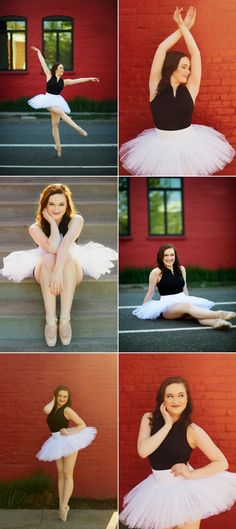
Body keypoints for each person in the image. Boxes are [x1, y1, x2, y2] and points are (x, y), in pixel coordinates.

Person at [120, 6, 235, 176]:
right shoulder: (155, 88)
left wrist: (184, 27)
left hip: (190, 144)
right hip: (159, 148)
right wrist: (182, 26)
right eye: (184, 67)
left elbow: (195, 54)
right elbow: (161, 49)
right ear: (172, 67)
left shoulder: (191, 89)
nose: (188, 71)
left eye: (188, 68)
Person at [0, 183, 117, 346]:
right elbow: (52, 247)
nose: (56, 209)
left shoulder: (76, 220)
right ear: (44, 205)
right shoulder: (35, 228)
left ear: (67, 205)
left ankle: (64, 319)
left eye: (61, 204)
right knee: (48, 257)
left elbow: (64, 246)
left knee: (66, 256)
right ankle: (50, 320)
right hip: (44, 268)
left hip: (71, 266)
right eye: (52, 204)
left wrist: (58, 271)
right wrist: (52, 224)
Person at [119, 376, 236, 529]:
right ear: (163, 400)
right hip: (157, 490)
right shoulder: (149, 419)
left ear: (187, 399)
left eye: (181, 395)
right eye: (170, 396)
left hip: (184, 491)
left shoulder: (192, 430)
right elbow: (143, 451)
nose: (176, 400)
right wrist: (167, 425)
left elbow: (222, 462)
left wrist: (192, 474)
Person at [132, 244, 235, 329]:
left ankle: (218, 323)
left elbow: (184, 289)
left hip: (182, 300)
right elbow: (150, 292)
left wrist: (189, 300)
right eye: (166, 255)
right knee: (188, 306)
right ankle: (219, 314)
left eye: (172, 255)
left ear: (175, 256)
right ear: (161, 257)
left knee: (196, 311)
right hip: (168, 307)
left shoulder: (181, 269)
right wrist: (143, 309)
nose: (169, 258)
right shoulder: (156, 272)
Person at [37, 385, 96, 522]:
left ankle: (65, 505)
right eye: (60, 396)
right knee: (60, 474)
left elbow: (82, 424)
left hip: (68, 441)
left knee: (68, 473)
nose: (62, 398)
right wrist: (53, 398)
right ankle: (61, 505)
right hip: (55, 441)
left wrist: (70, 432)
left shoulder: (68, 410)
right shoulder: (52, 408)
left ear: (68, 398)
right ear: (56, 396)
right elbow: (45, 409)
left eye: (65, 396)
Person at [28, 46, 99, 156]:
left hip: (57, 100)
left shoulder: (64, 82)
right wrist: (38, 52)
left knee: (55, 125)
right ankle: (79, 129)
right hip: (47, 100)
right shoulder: (49, 75)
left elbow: (77, 80)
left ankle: (58, 148)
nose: (63, 70)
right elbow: (43, 63)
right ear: (56, 69)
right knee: (61, 113)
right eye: (61, 68)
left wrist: (89, 78)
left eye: (63, 68)